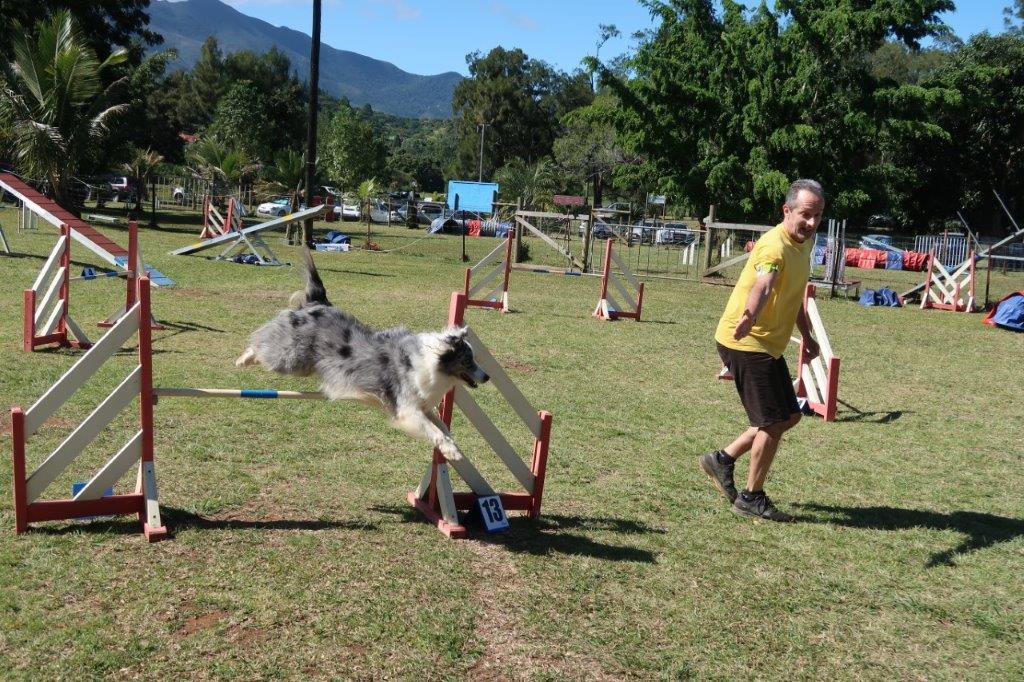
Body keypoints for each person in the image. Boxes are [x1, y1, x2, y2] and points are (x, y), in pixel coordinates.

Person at [699, 179, 825, 522]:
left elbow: (793, 291)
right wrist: (748, 316)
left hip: (767, 344)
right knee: (771, 422)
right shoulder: (772, 247)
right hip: (745, 341)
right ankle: (751, 498)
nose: (812, 223)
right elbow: (764, 285)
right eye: (805, 215)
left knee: (789, 416)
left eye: (817, 215)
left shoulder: (805, 242)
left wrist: (807, 336)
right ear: (786, 210)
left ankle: (722, 459)